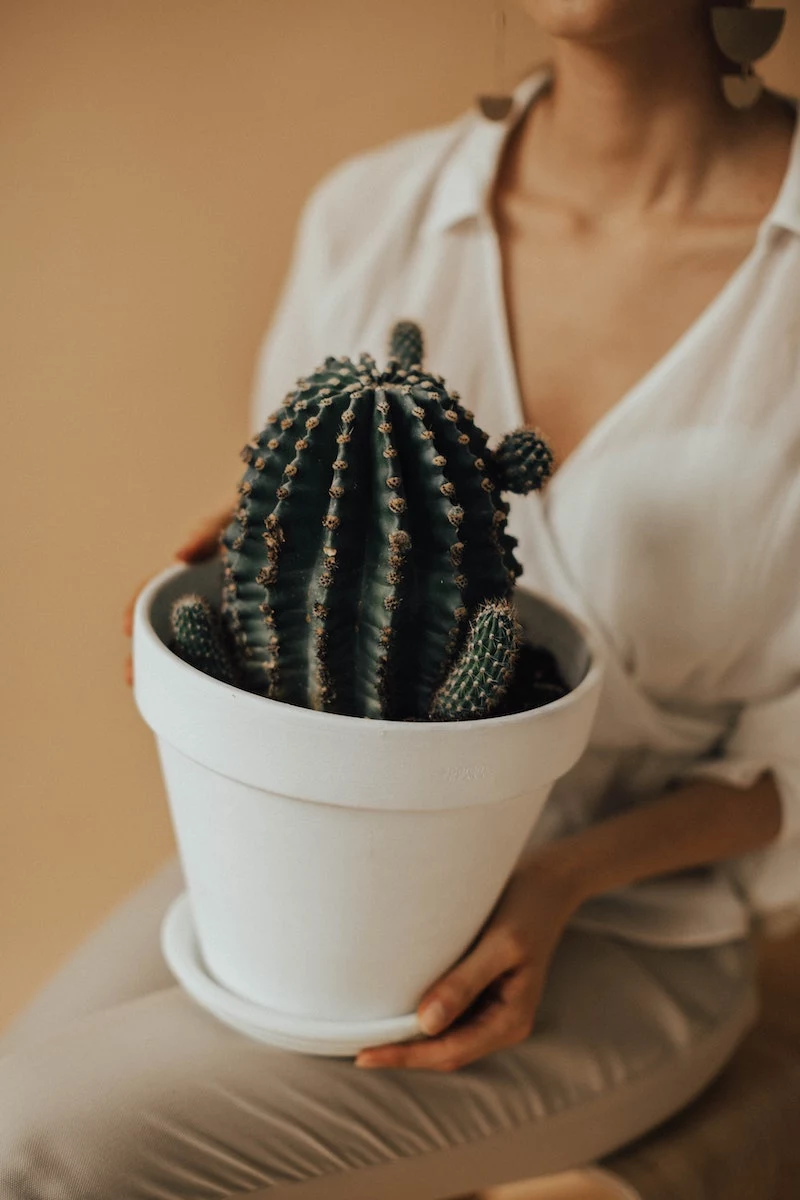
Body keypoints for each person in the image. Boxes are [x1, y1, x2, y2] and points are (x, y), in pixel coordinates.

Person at [2, 2, 799, 1198]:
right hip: (313, 850)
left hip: (626, 923)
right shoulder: (375, 214)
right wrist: (252, 587)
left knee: (39, 1139)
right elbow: (295, 544)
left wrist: (553, 879)